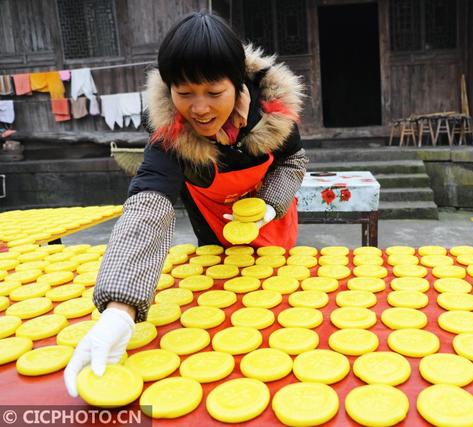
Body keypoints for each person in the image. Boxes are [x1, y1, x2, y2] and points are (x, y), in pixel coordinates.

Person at [64, 11, 307, 397]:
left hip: (269, 222)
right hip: (211, 226)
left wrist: (270, 205)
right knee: (220, 314)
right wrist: (119, 309)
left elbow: (293, 161)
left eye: (214, 92)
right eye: (185, 93)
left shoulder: (273, 113)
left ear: (239, 84)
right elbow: (149, 202)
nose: (199, 108)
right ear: (170, 89)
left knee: (274, 313)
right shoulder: (170, 131)